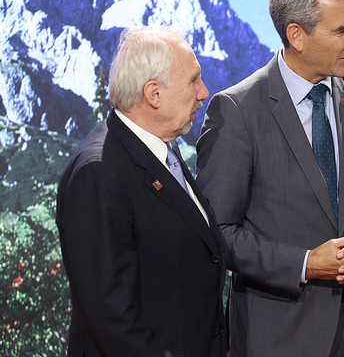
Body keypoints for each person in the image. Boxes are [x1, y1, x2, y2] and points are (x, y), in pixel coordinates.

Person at [195, 0, 344, 357]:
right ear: (296, 35)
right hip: (277, 340)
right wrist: (307, 263)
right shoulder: (237, 110)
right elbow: (218, 235)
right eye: (342, 29)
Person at [56, 26, 227, 357]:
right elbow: (113, 319)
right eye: (193, 80)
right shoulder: (99, 173)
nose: (204, 92)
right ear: (154, 94)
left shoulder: (159, 148)